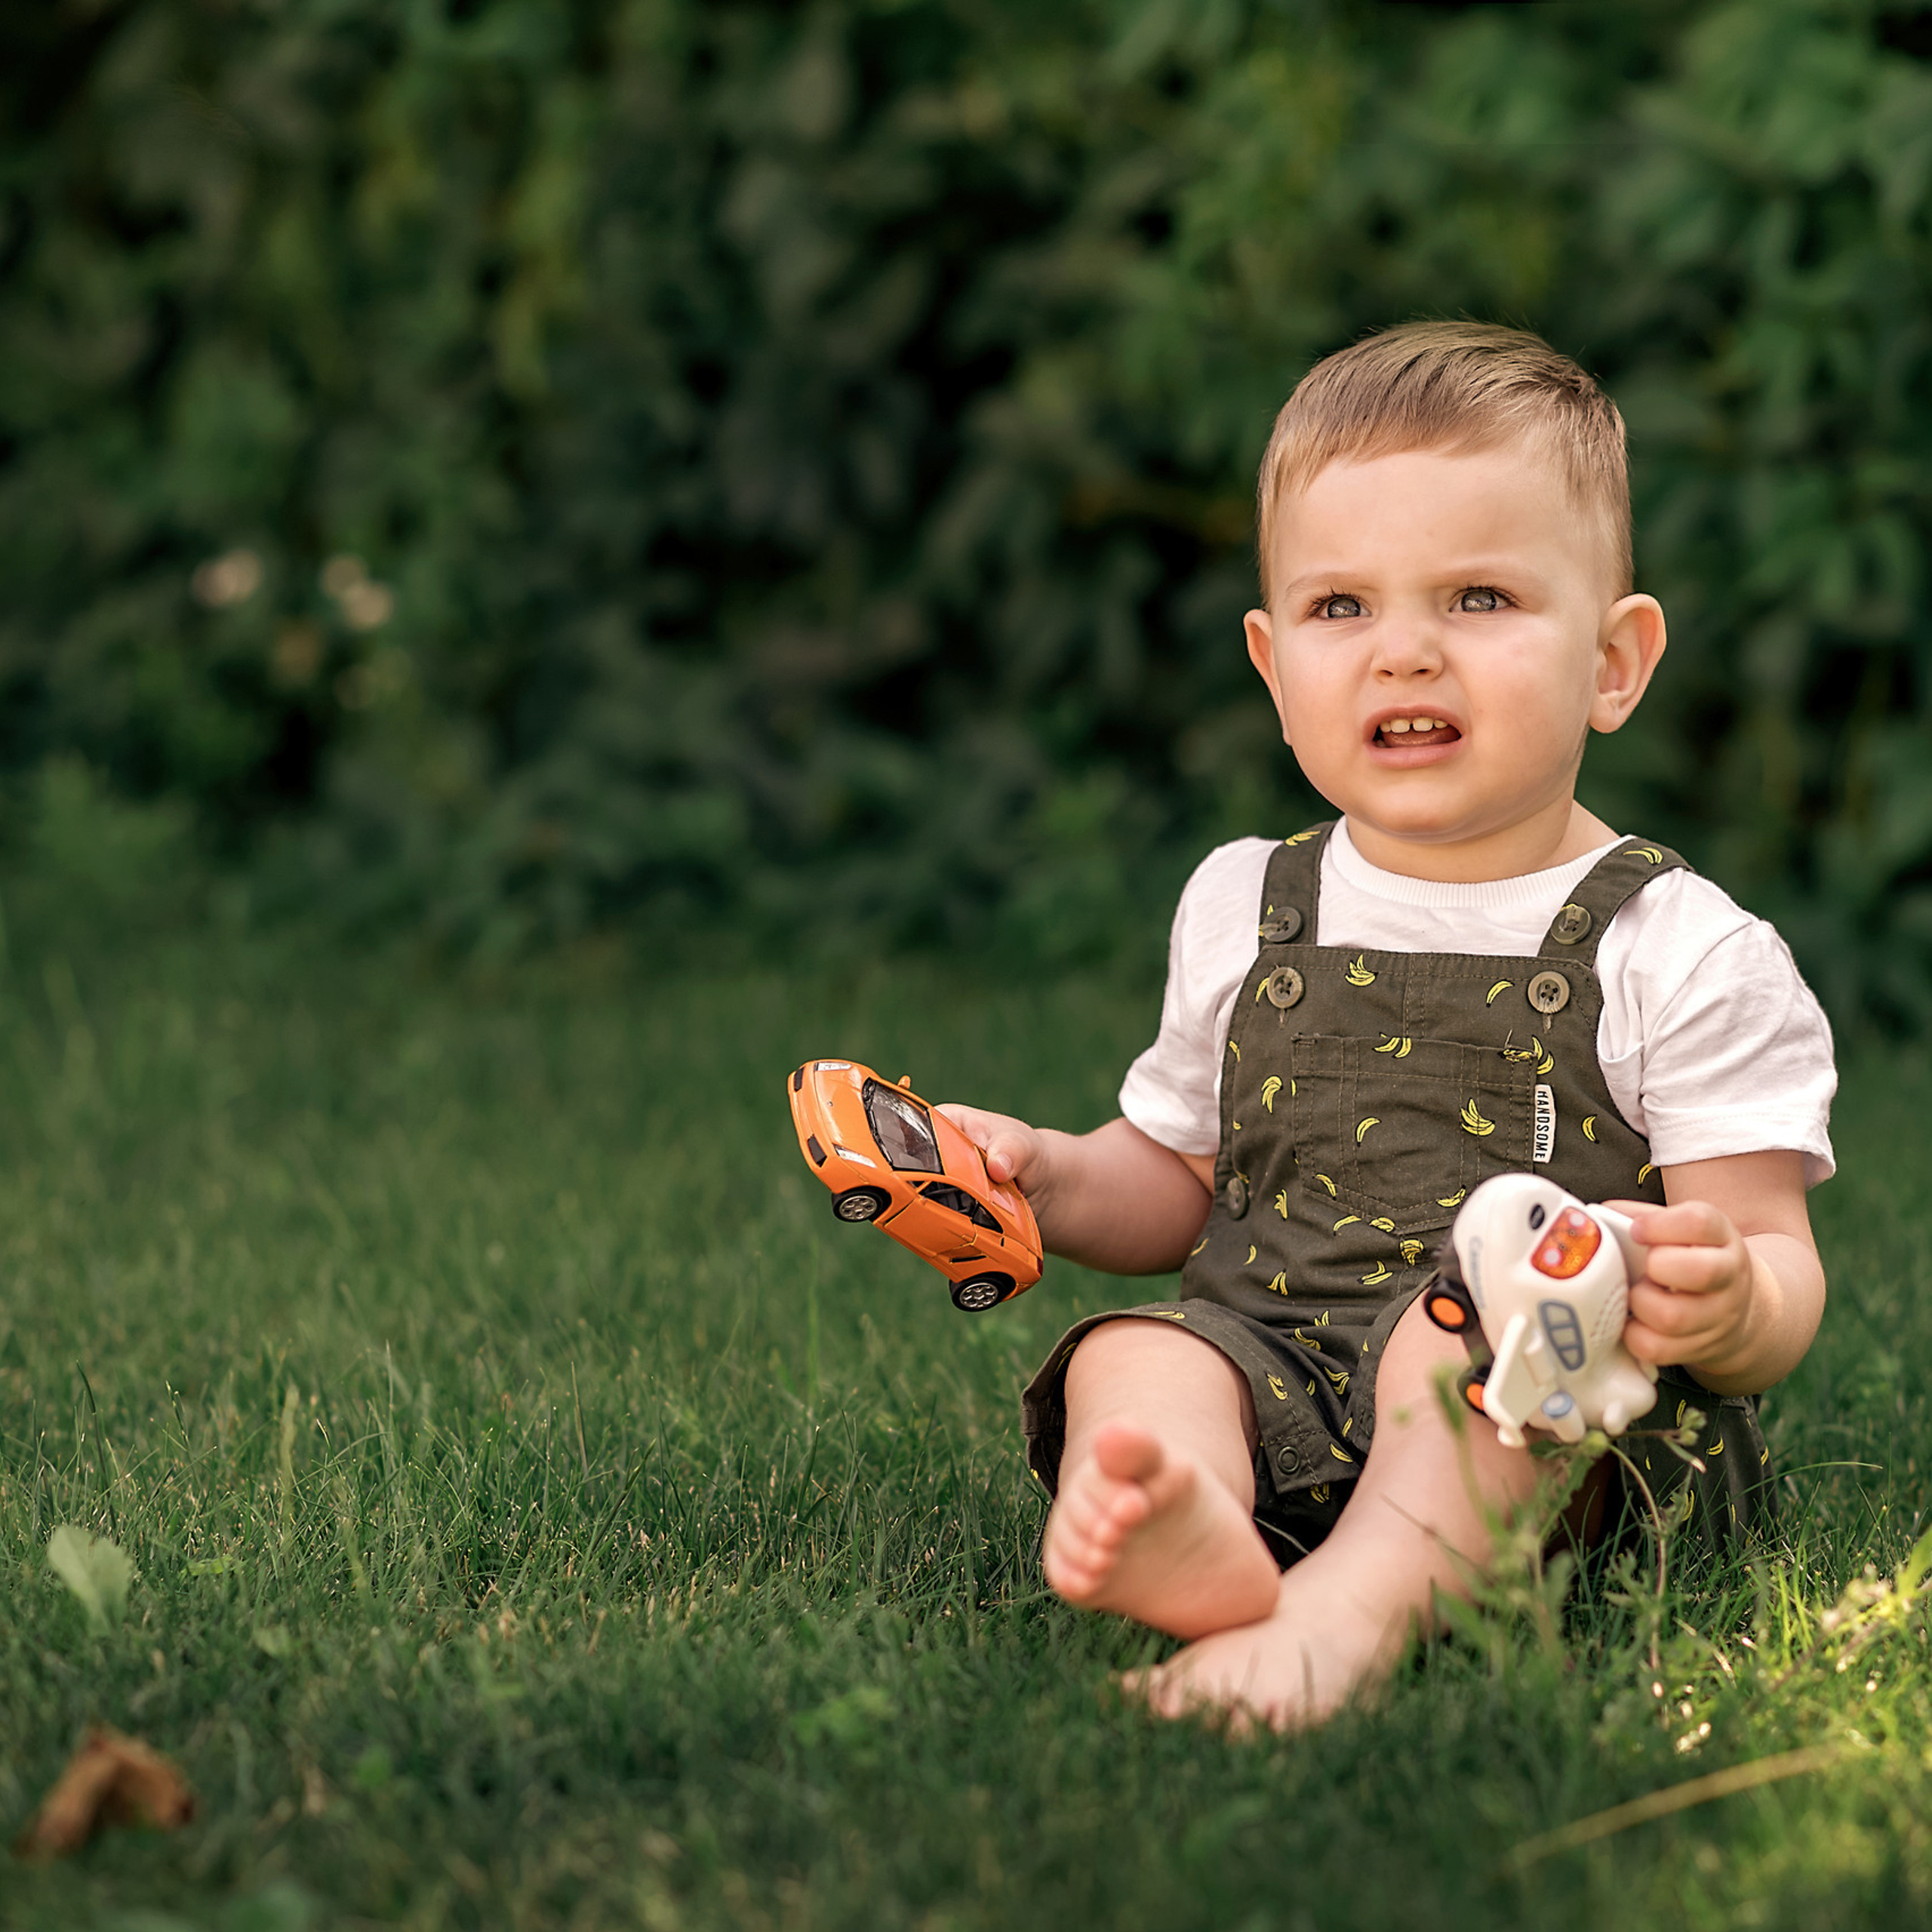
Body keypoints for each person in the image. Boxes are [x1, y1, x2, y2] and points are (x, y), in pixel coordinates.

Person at [941, 322, 1835, 1730]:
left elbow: (1776, 1261)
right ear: (1272, 659)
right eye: (1341, 607)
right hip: (1281, 1371)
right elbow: (1179, 1185)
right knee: (1140, 1355)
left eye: (1478, 598)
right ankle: (1198, 1516)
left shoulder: (1682, 949)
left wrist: (1733, 1301)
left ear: (1614, 662)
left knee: (1472, 1329)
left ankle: (1345, 1612)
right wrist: (1050, 1175)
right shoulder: (1248, 903)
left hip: (1550, 1428)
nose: (1404, 653)